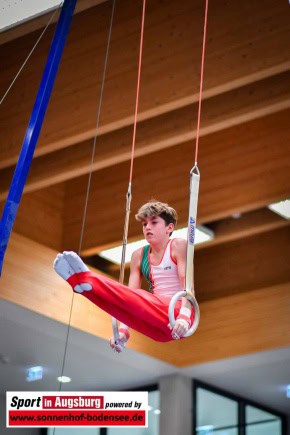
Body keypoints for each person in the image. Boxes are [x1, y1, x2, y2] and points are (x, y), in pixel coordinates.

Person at [54, 201, 195, 352]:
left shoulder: (178, 245)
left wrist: (184, 315)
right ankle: (83, 287)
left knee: (138, 296)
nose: (147, 227)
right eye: (144, 224)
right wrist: (123, 330)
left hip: (178, 311)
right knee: (125, 301)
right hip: (160, 329)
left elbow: (187, 285)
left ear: (170, 227)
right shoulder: (139, 255)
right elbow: (128, 299)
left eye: (154, 222)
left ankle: (88, 278)